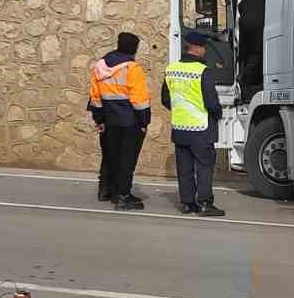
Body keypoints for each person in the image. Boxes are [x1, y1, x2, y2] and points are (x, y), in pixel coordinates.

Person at [160, 32, 224, 217]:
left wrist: (181, 110)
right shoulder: (203, 71)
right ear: (196, 48)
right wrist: (217, 113)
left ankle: (188, 204)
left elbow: (165, 99)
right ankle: (205, 203)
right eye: (203, 47)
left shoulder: (171, 69)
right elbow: (211, 102)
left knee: (185, 168)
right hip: (201, 128)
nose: (205, 51)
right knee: (204, 166)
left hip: (180, 128)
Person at [89, 32, 151, 210]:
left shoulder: (100, 65)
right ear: (134, 49)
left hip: (108, 120)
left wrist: (98, 118)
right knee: (127, 159)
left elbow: (95, 96)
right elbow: (139, 100)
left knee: (109, 155)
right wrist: (144, 122)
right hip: (129, 121)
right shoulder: (132, 68)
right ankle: (123, 196)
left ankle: (106, 189)